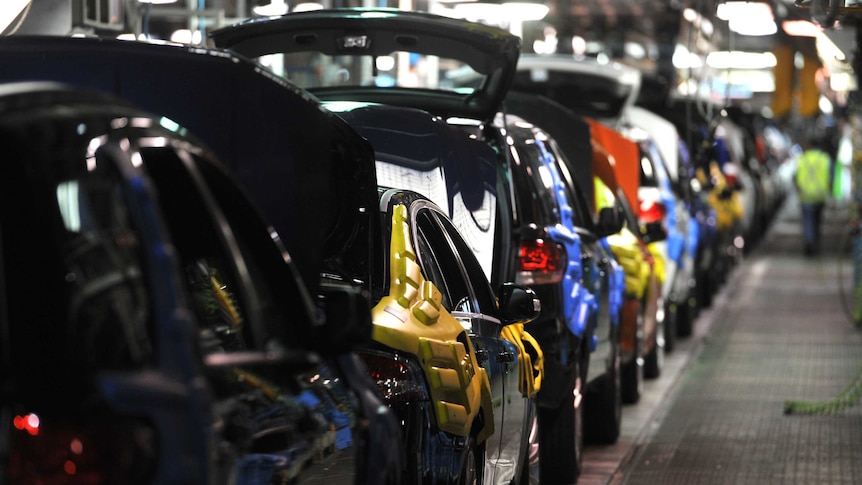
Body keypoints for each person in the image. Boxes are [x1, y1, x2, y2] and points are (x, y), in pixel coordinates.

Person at [795, 138, 832, 256]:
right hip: (820, 195)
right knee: (817, 220)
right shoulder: (825, 159)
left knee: (807, 220)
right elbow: (831, 177)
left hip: (806, 195)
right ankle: (816, 242)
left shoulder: (802, 159)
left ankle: (809, 242)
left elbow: (796, 177)